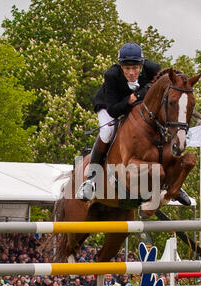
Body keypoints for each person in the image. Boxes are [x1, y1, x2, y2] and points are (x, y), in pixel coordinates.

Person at [76, 42, 191, 206]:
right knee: (107, 132)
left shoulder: (153, 69)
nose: (131, 72)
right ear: (120, 66)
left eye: (135, 68)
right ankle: (91, 180)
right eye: (127, 68)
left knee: (160, 128)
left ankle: (172, 183)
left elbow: (163, 89)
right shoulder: (111, 75)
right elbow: (115, 110)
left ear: (142, 65)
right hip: (111, 105)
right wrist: (132, 99)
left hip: (138, 106)